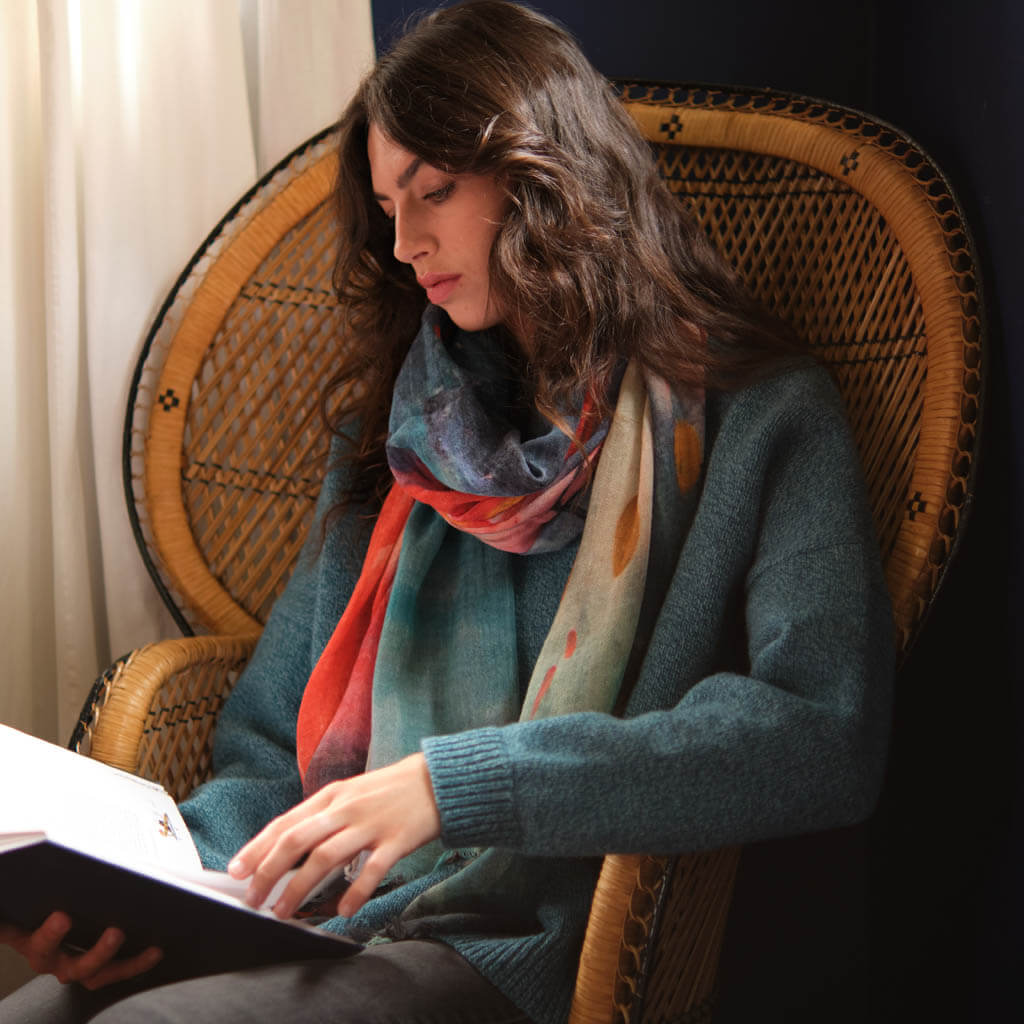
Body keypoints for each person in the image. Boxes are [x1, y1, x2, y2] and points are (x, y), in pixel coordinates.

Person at [0, 2, 893, 1021]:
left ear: (548, 177)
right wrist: (156, 895)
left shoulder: (761, 415)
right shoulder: (404, 433)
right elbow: (268, 745)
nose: (406, 242)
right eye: (388, 206)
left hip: (519, 946)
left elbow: (820, 733)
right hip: (311, 920)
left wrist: (450, 786)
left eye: (434, 191)